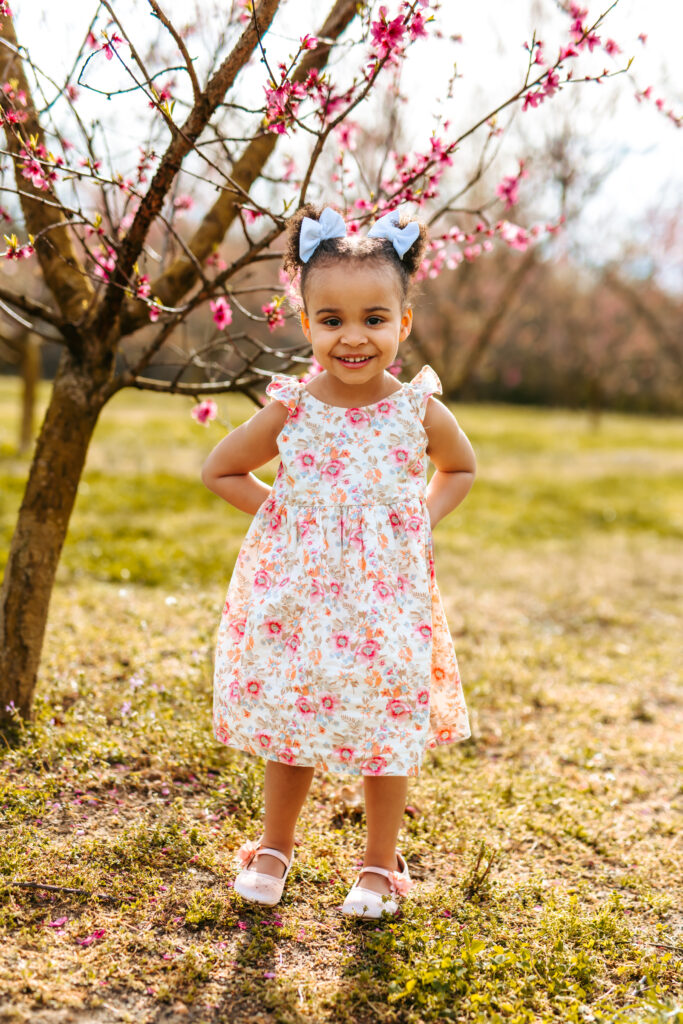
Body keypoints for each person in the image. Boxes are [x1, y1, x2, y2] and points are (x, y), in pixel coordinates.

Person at [201, 204, 476, 918]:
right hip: (301, 599)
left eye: (373, 319)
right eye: (331, 321)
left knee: (386, 727)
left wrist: (420, 514)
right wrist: (286, 517)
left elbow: (459, 469)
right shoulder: (294, 409)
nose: (353, 338)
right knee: (295, 717)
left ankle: (378, 866)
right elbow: (220, 470)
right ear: (307, 324)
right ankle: (273, 848)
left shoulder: (415, 410)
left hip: (387, 599)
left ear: (403, 323)